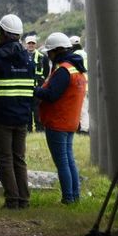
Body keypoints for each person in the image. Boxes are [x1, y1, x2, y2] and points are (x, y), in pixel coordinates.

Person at [0, 14, 35, 209]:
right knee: (19, 159)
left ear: (3, 33)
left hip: (0, 118)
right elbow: (30, 89)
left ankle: (12, 200)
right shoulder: (28, 59)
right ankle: (24, 200)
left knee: (5, 160)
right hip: (21, 117)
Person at [34, 32, 88, 204]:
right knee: (69, 160)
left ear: (57, 50)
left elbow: (51, 95)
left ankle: (68, 198)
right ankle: (74, 196)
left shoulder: (64, 70)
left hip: (58, 121)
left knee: (62, 162)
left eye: (50, 52)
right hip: (70, 121)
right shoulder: (76, 68)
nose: (48, 56)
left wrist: (34, 90)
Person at [23, 33, 49, 132]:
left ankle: (39, 128)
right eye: (29, 43)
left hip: (38, 86)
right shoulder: (21, 56)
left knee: (37, 108)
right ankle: (28, 128)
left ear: (36, 44)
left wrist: (42, 83)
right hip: (26, 86)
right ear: (26, 44)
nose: (31, 45)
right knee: (27, 108)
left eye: (33, 43)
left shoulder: (42, 57)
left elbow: (46, 71)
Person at [70, 35, 91, 134]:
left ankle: (84, 129)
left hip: (81, 85)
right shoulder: (86, 53)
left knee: (82, 108)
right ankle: (87, 126)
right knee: (88, 108)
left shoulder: (74, 56)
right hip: (89, 85)